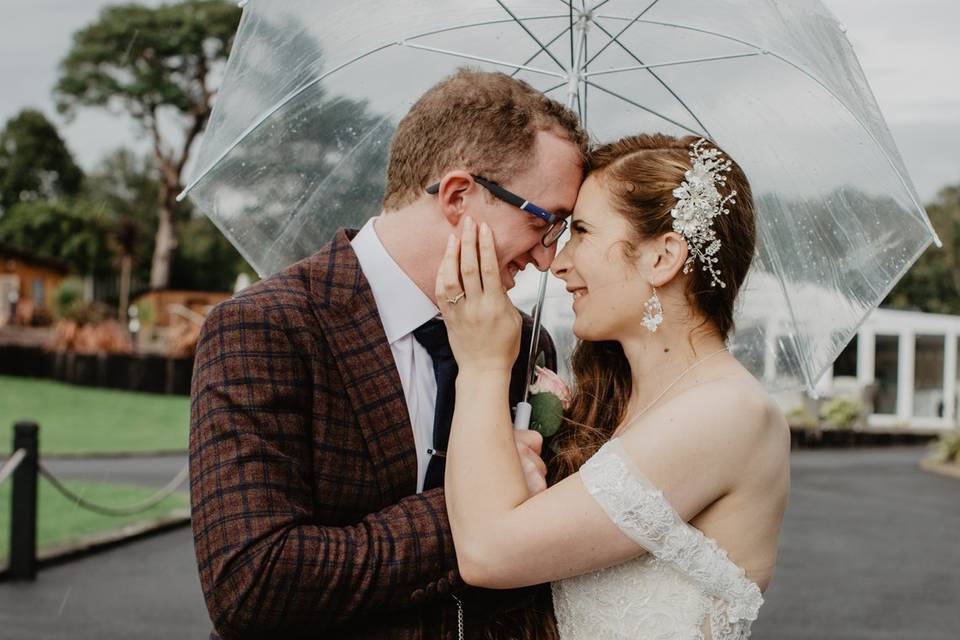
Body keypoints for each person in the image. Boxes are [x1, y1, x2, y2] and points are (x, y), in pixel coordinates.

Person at [188, 68, 587, 639]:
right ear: (457, 196)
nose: (547, 260)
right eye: (542, 223)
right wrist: (478, 507)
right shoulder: (265, 326)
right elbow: (252, 582)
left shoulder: (526, 343)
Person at [437, 134, 791, 639]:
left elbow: (488, 552)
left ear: (662, 257)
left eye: (581, 231)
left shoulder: (728, 413)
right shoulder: (617, 403)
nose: (557, 261)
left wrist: (483, 365)